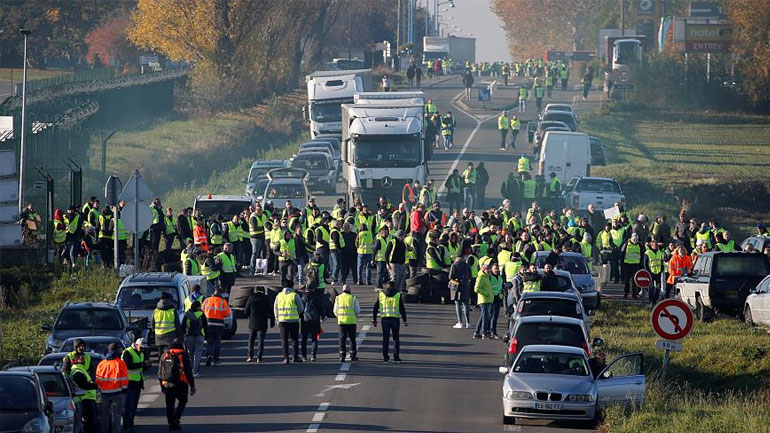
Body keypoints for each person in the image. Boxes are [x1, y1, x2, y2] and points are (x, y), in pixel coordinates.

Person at [158, 339, 196, 431]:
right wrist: (192, 386)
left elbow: (160, 372)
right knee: (183, 400)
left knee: (169, 404)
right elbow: (188, 371)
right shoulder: (182, 354)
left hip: (167, 383)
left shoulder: (165, 355)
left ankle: (171, 423)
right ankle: (176, 418)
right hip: (181, 383)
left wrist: (162, 386)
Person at [95, 342, 129, 433]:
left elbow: (98, 379)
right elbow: (124, 379)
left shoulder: (101, 364)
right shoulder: (120, 363)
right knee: (116, 416)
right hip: (117, 393)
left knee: (104, 416)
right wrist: (124, 389)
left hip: (104, 393)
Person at [67, 339, 98, 433]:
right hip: (82, 397)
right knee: (87, 423)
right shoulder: (70, 358)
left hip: (89, 396)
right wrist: (93, 386)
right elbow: (66, 372)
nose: (81, 348)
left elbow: (91, 371)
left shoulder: (87, 357)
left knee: (89, 422)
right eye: (79, 346)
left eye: (83, 346)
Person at [372, 281, 408, 363]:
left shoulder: (381, 294)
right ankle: (396, 357)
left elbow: (376, 307)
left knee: (385, 338)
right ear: (394, 287)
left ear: (387, 286)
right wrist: (405, 320)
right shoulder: (398, 294)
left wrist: (374, 319)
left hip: (385, 319)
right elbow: (401, 308)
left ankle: (385, 358)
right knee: (396, 338)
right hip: (395, 319)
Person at [122, 338, 150, 433]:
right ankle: (126, 426)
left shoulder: (141, 353)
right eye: (141, 347)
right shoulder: (127, 352)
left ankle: (130, 425)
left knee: (134, 407)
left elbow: (141, 369)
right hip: (128, 383)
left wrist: (146, 365)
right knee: (128, 407)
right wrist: (142, 364)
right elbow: (128, 365)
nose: (142, 350)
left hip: (137, 383)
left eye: (144, 348)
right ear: (136, 345)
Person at [275, 280, 305, 364]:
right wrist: (296, 313)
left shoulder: (279, 296)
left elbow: (275, 309)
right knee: (294, 339)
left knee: (284, 340)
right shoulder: (294, 295)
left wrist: (277, 319)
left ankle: (286, 358)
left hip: (282, 321)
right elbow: (301, 308)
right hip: (293, 320)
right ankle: (295, 356)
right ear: (292, 286)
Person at [201, 287, 230, 366]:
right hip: (219, 325)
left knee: (209, 341)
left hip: (208, 324)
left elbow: (202, 310)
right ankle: (216, 360)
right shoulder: (223, 301)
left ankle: (209, 355)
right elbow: (227, 313)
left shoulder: (207, 300)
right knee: (217, 342)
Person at [244, 286, 274, 363]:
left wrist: (249, 315)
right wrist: (272, 321)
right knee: (261, 340)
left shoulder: (251, 298)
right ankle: (259, 357)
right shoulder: (266, 299)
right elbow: (270, 311)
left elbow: (246, 311)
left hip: (253, 322)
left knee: (251, 340)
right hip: (262, 322)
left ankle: (250, 356)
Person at [334, 284, 360, 362]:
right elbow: (358, 310)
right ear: (349, 289)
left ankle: (342, 355)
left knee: (342, 339)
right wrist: (354, 315)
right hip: (351, 321)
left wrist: (339, 316)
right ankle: (353, 354)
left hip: (342, 321)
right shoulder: (353, 298)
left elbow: (335, 311)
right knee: (352, 339)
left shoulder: (338, 298)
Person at [151, 292, 181, 358]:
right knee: (171, 354)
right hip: (170, 336)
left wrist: (154, 333)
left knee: (160, 354)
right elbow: (177, 324)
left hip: (158, 336)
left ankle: (160, 364)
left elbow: (152, 324)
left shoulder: (156, 311)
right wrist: (179, 335)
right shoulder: (172, 311)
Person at [181, 300, 207, 376]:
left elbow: (183, 327)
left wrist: (182, 337)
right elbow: (205, 326)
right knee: (197, 355)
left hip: (189, 337)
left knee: (190, 355)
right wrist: (207, 337)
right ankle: (195, 371)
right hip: (199, 336)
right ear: (197, 307)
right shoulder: (201, 314)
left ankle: (190, 369)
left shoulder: (187, 314)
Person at [300, 287, 324, 362]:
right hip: (315, 320)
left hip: (305, 320)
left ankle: (304, 356)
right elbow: (321, 309)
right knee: (314, 338)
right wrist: (323, 316)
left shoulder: (303, 298)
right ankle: (313, 356)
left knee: (304, 339)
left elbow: (300, 309)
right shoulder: (316, 298)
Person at [449, 255, 472, 329]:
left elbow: (450, 277)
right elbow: (470, 276)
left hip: (457, 286)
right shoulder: (467, 266)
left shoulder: (454, 265)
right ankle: (468, 323)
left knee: (458, 303)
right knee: (466, 304)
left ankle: (460, 322)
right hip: (466, 286)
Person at [620, 233, 644, 299]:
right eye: (634, 239)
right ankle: (626, 294)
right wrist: (622, 264)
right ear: (631, 238)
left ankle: (634, 295)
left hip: (636, 265)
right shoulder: (626, 244)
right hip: (627, 264)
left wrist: (641, 264)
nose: (635, 240)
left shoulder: (640, 245)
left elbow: (642, 255)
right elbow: (621, 254)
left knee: (635, 281)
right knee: (627, 281)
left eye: (636, 239)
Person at [473, 264, 493, 339]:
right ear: (483, 269)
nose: (488, 270)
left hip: (488, 299)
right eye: (487, 269)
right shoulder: (481, 277)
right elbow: (476, 289)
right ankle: (484, 333)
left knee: (483, 316)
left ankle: (477, 332)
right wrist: (486, 293)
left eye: (489, 269)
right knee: (485, 316)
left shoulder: (487, 277)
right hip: (483, 299)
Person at [644, 240, 665, 305]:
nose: (656, 246)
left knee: (658, 287)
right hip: (651, 272)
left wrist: (662, 269)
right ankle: (651, 301)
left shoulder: (659, 252)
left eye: (657, 245)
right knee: (651, 287)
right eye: (655, 245)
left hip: (658, 272)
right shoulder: (648, 253)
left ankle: (654, 299)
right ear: (651, 245)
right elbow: (645, 264)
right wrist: (648, 272)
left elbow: (661, 262)